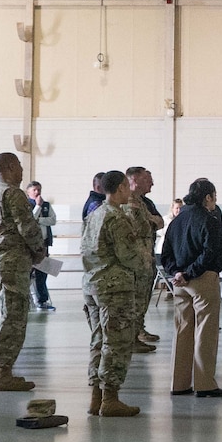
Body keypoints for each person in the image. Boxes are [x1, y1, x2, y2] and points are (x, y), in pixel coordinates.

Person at [81, 170, 149, 417]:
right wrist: (144, 258)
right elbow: (129, 256)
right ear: (121, 187)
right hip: (114, 287)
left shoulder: (95, 214)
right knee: (117, 342)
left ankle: (96, 396)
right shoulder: (116, 218)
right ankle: (110, 397)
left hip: (93, 284)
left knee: (98, 340)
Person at [0, 152, 45, 391]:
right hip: (13, 262)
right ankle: (4, 373)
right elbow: (27, 228)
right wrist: (39, 250)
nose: (20, 171)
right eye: (18, 166)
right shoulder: (13, 194)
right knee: (13, 318)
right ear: (8, 167)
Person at [161, 178, 222, 398]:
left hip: (180, 284)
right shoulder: (209, 219)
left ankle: (179, 383)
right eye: (214, 198)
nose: (214, 203)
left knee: (182, 330)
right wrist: (190, 272)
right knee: (206, 331)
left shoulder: (176, 221)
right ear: (207, 197)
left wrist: (177, 273)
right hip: (202, 279)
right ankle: (204, 383)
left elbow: (165, 254)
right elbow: (211, 252)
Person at [126, 166, 164, 347]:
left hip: (145, 258)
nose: (152, 183)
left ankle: (138, 332)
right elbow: (142, 225)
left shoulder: (143, 202)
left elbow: (159, 221)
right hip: (135, 261)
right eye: (147, 179)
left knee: (143, 299)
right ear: (134, 180)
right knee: (135, 300)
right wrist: (152, 221)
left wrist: (152, 220)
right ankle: (132, 338)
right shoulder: (128, 201)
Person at [25, 180, 57, 311]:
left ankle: (42, 300)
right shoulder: (26, 205)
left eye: (39, 190)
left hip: (44, 243)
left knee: (43, 272)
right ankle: (27, 299)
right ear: (28, 193)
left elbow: (53, 220)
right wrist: (37, 207)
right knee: (28, 272)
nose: (37, 192)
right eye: (34, 190)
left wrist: (39, 220)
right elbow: (29, 220)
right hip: (30, 245)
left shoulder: (47, 205)